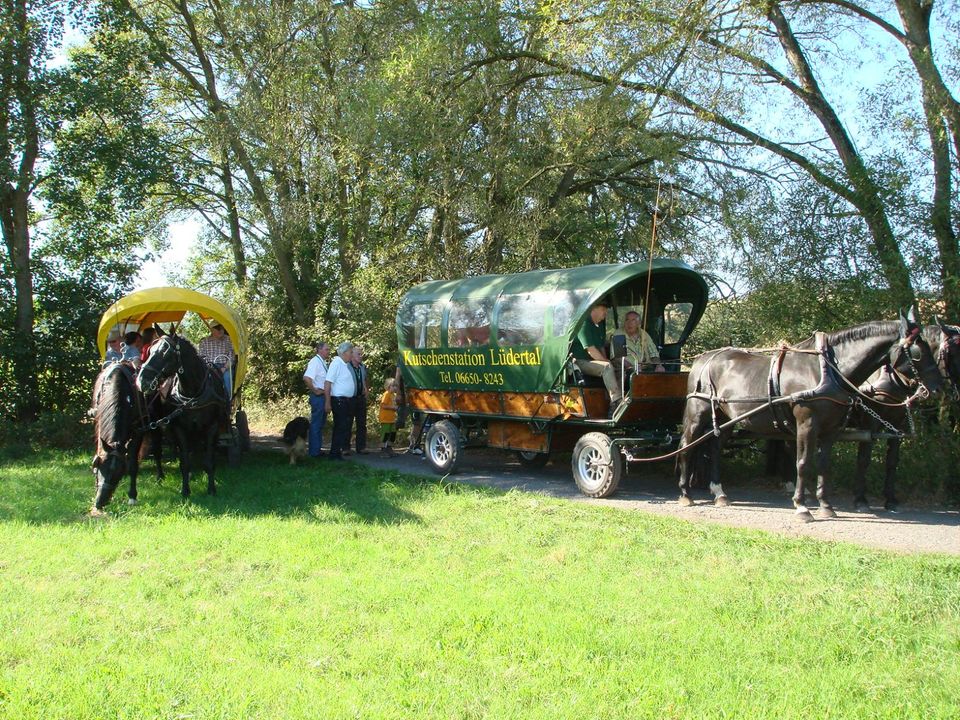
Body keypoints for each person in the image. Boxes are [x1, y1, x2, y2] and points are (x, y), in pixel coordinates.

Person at [572, 300, 622, 418]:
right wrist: (606, 362)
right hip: (580, 361)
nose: (605, 312)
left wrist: (606, 359)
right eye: (603, 309)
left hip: (593, 361)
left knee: (620, 366)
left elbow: (600, 347)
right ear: (593, 309)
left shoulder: (599, 325)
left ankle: (626, 398)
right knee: (607, 367)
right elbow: (591, 350)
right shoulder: (583, 323)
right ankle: (616, 402)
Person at [324, 341, 357, 461]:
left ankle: (337, 453)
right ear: (344, 352)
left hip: (345, 401)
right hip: (339, 400)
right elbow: (328, 383)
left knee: (343, 427)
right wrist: (327, 402)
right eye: (351, 352)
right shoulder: (336, 363)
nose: (352, 354)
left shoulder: (345, 364)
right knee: (340, 426)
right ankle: (334, 454)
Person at [610, 310, 665, 377]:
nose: (629, 323)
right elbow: (618, 358)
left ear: (639, 323)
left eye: (633, 320)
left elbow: (654, 354)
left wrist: (658, 365)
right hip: (626, 370)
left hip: (646, 368)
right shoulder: (618, 334)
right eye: (627, 320)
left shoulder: (644, 334)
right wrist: (632, 367)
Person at [303, 341, 331, 458]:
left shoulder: (322, 362)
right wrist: (315, 390)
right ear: (319, 349)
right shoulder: (315, 362)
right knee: (316, 424)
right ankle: (314, 452)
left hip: (323, 396)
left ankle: (317, 449)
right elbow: (307, 378)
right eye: (326, 349)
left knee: (320, 424)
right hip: (318, 397)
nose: (328, 352)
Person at [199, 322, 235, 401]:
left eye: (221, 328)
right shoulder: (204, 342)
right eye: (218, 329)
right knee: (203, 378)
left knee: (227, 377)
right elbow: (202, 357)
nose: (220, 331)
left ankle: (228, 400)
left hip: (225, 366)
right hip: (210, 367)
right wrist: (211, 367)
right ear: (212, 330)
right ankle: (202, 399)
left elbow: (231, 356)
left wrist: (224, 368)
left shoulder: (228, 340)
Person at [349, 346, 369, 455]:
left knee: (362, 423)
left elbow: (366, 379)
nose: (361, 357)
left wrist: (367, 390)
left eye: (362, 354)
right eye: (359, 354)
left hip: (360, 398)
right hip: (350, 398)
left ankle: (361, 447)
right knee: (348, 422)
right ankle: (346, 447)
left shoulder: (362, 367)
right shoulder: (347, 367)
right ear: (352, 355)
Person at [378, 378, 399, 457]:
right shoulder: (386, 394)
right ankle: (383, 450)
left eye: (395, 386)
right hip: (385, 418)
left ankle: (389, 448)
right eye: (393, 386)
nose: (395, 388)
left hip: (392, 419)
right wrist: (392, 407)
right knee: (385, 434)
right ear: (388, 386)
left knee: (392, 433)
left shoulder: (393, 395)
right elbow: (383, 405)